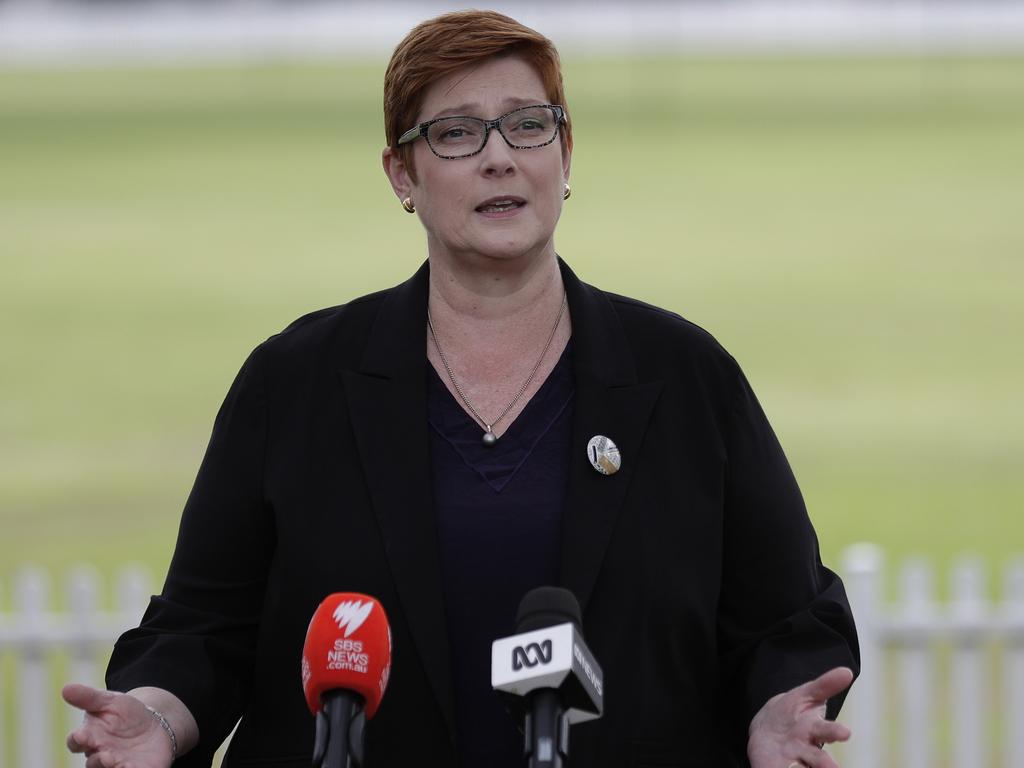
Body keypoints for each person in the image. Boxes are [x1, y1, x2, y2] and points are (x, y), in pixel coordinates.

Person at [63, 10, 859, 768]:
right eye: (456, 133)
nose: (499, 156)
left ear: (566, 154)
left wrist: (772, 712)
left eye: (527, 124)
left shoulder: (685, 375)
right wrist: (160, 716)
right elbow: (204, 629)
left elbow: (785, 623)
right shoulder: (294, 381)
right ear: (401, 173)